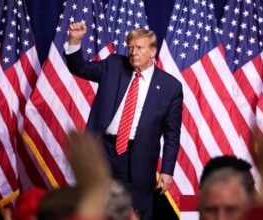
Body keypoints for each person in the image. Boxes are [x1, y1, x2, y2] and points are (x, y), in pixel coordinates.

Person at [65, 22, 183, 219]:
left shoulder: (171, 87)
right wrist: (75, 40)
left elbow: (172, 134)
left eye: (139, 48)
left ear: (153, 51)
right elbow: (81, 68)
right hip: (102, 150)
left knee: (133, 212)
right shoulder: (113, 65)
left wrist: (167, 170)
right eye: (130, 47)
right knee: (95, 207)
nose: (133, 52)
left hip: (138, 157)